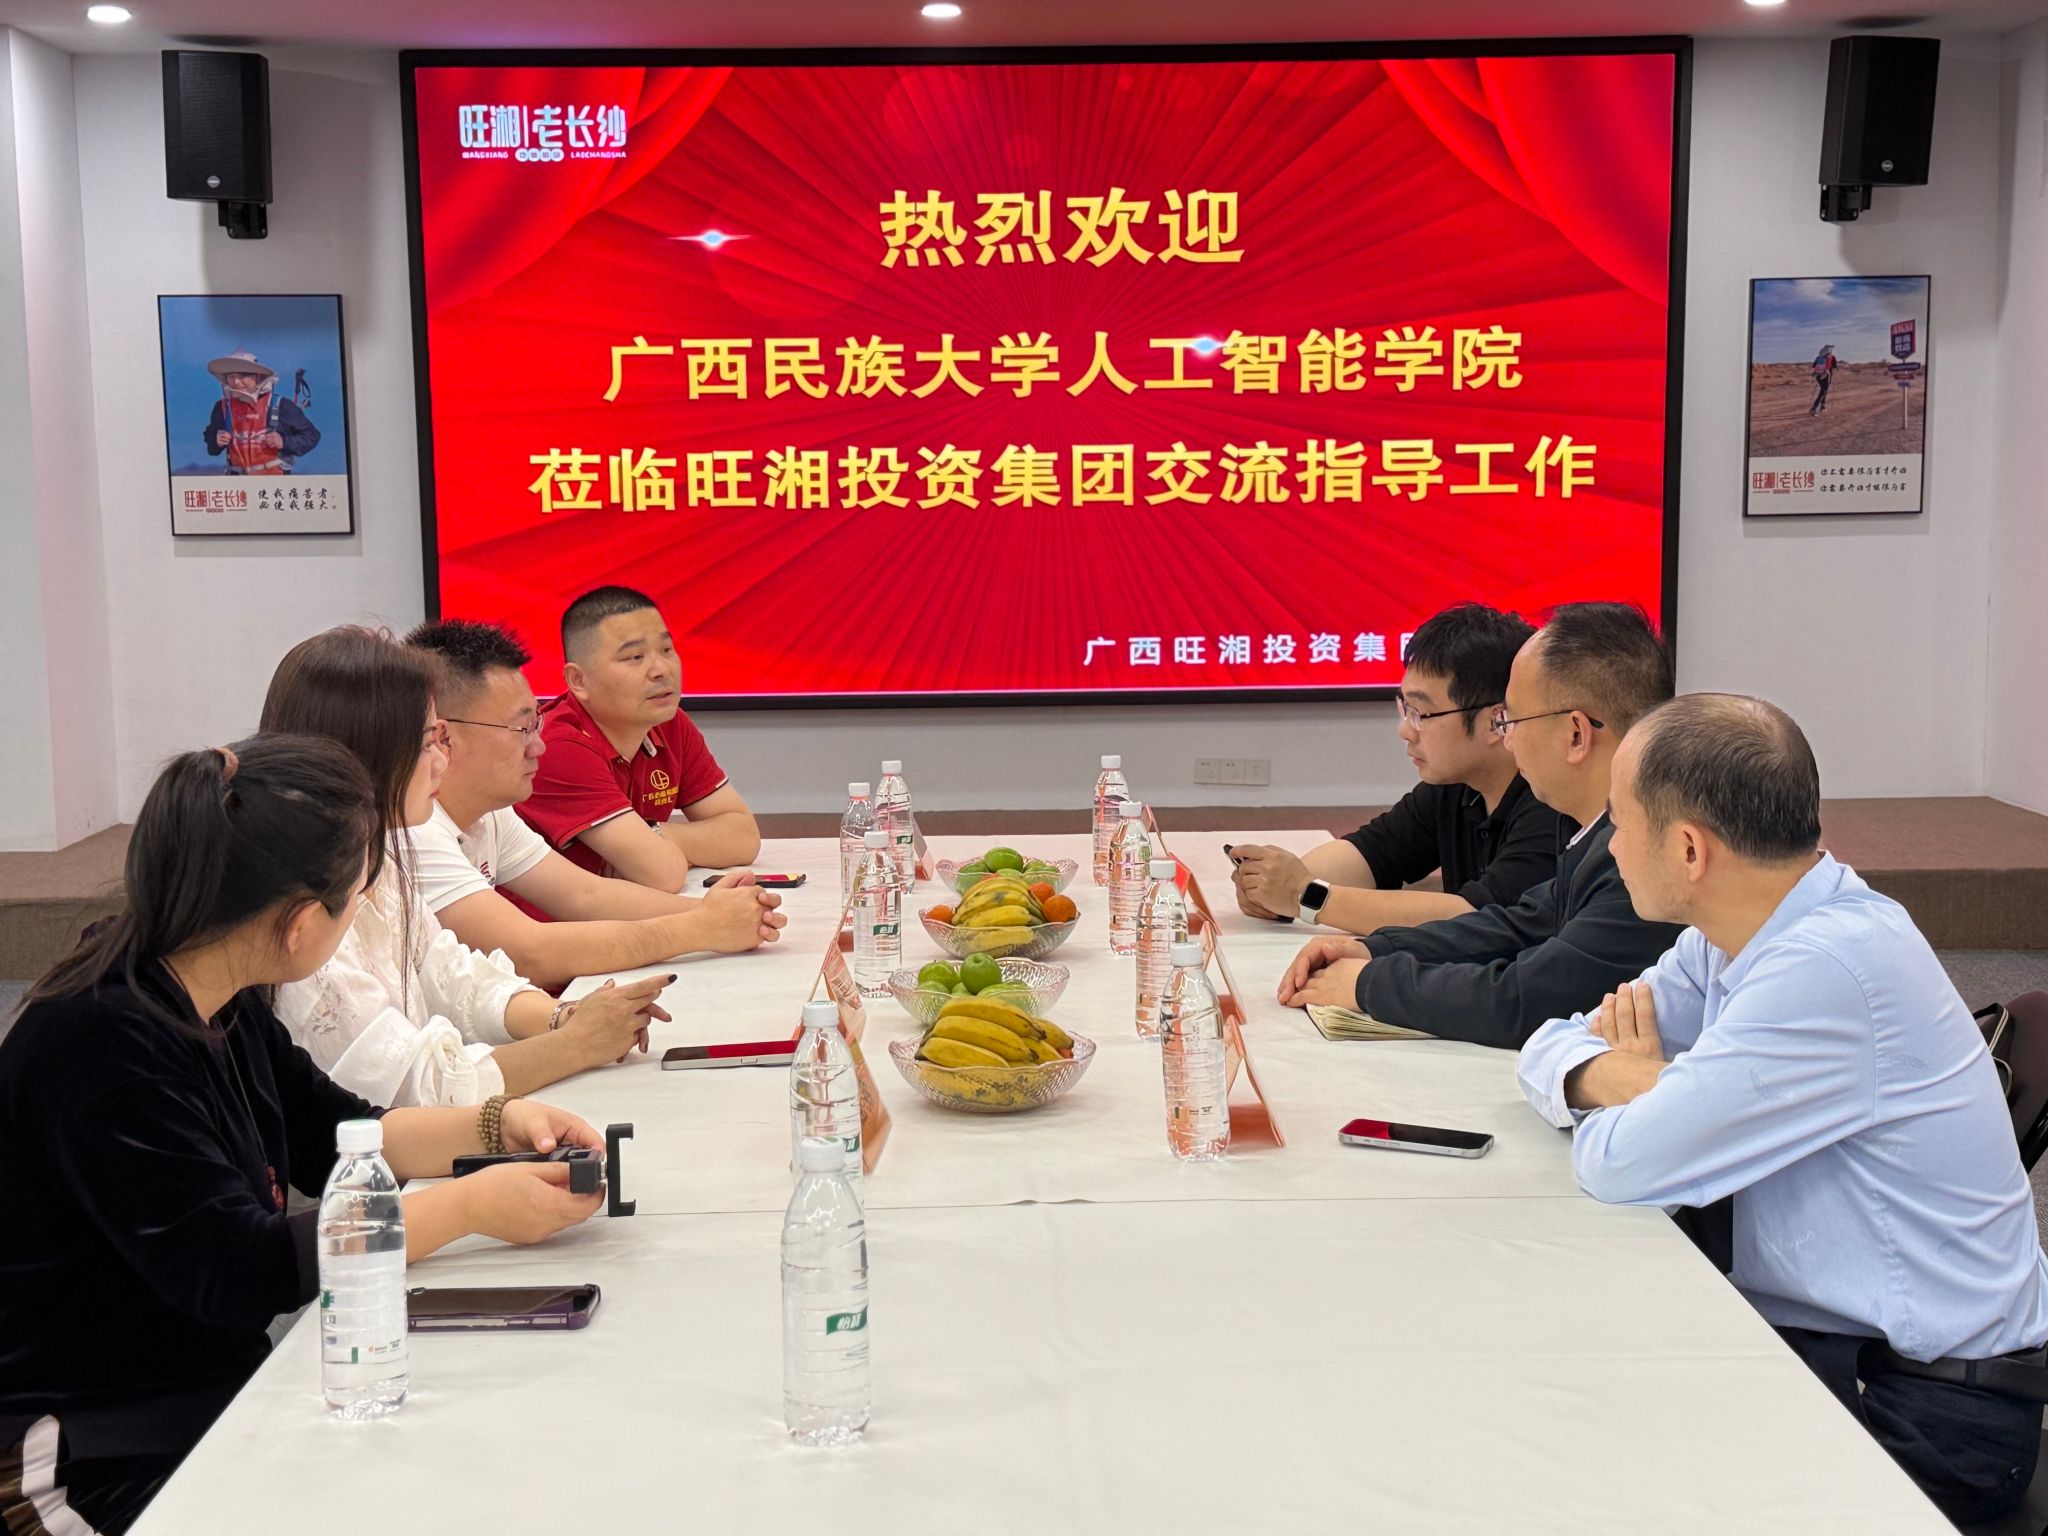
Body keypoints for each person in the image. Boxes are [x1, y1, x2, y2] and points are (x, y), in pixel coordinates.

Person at [0, 736, 608, 1534]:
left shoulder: (216, 987)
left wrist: (498, 1126)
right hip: (89, 1456)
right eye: (354, 896)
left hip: (205, 1400)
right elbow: (239, 1269)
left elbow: (338, 1132)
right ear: (296, 924)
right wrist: (468, 1208)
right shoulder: (97, 1042)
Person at [1517, 695, 2048, 1524]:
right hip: (1843, 1351)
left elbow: (1619, 1166)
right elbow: (1548, 1044)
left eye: (1619, 821)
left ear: (1688, 849)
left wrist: (1653, 1095)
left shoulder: (1829, 966)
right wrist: (1640, 1082)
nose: (1609, 845)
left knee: (1575, 1454)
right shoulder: (1737, 933)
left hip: (1927, 1416)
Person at [262, 627, 668, 1107]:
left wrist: (564, 1017)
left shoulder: (375, 861)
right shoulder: (302, 912)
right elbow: (413, 1090)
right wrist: (577, 1043)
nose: (442, 759)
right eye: (429, 740)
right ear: (367, 753)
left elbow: (456, 978)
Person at [1277, 601, 1682, 1048]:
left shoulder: (1646, 851)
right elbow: (1517, 925)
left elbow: (1525, 1000)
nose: (1508, 739)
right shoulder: (1598, 833)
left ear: (1575, 734)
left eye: (1513, 720)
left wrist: (1368, 983)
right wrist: (1376, 948)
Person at [402, 618, 786, 987]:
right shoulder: (411, 830)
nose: (538, 746)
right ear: (443, 737)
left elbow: (585, 895)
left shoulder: (492, 814)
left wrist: (718, 912)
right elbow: (529, 954)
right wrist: (701, 927)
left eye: (536, 724)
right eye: (522, 728)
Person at [1230, 603, 1570, 932]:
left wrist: (1306, 896)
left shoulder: (1553, 802)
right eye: (1405, 708)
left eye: (1422, 713)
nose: (1405, 730)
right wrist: (1271, 885)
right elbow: (1370, 853)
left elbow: (1477, 917)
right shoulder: (1456, 787)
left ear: (1496, 721)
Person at [518, 586, 761, 891]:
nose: (661, 670)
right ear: (578, 680)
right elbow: (662, 873)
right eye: (635, 657)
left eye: (667, 650)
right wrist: (665, 850)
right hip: (536, 919)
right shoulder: (556, 746)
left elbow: (744, 837)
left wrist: (654, 833)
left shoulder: (668, 723)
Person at [203, 350, 319, 475]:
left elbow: (311, 435)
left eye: (242, 376)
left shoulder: (281, 405)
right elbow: (212, 446)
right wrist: (215, 440)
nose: (236, 382)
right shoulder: (222, 407)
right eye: (231, 377)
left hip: (274, 480)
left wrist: (284, 442)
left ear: (257, 377)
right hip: (237, 480)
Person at [1809, 343, 1837, 418]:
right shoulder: (1831, 357)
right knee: (1823, 392)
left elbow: (1814, 366)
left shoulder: (1819, 357)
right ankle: (1814, 409)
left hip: (1818, 376)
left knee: (1824, 391)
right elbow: (1834, 366)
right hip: (1826, 376)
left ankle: (1822, 406)